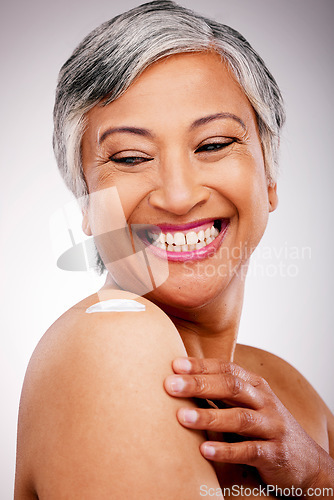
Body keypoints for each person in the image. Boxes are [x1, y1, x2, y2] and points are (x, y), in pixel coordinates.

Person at [14, 1, 334, 498]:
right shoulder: (111, 339)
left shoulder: (288, 392)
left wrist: (317, 476)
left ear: (269, 176)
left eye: (213, 144)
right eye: (131, 157)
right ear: (86, 201)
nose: (179, 195)